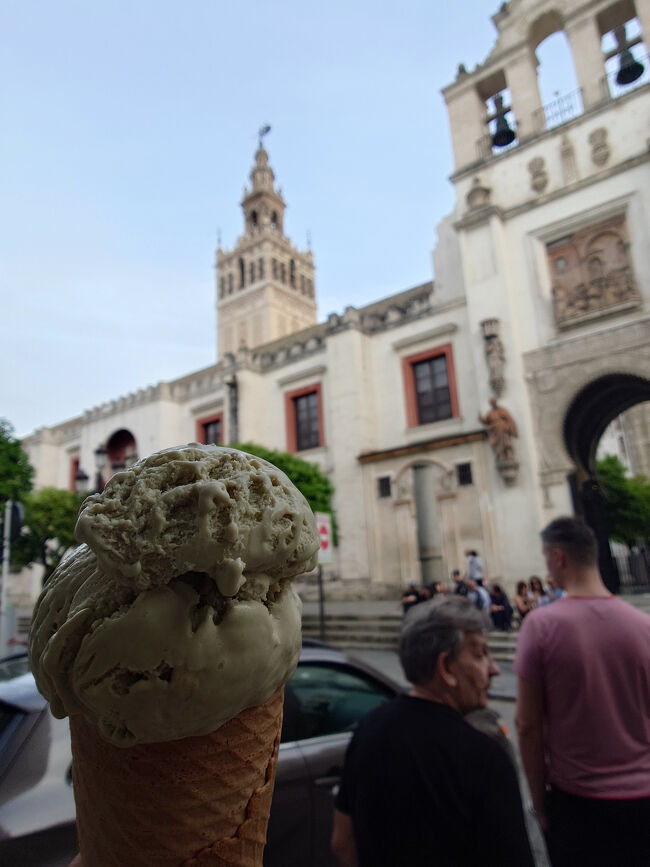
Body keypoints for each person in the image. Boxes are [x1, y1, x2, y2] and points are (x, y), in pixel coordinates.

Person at [331, 596, 534, 867]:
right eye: (480, 654)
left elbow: (342, 842)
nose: (495, 668)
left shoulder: (369, 728)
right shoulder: (484, 756)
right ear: (446, 667)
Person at [514, 516, 650, 867]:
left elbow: (528, 725)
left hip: (579, 799)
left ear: (559, 558)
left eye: (546, 561)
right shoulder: (643, 626)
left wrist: (539, 805)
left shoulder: (541, 626)